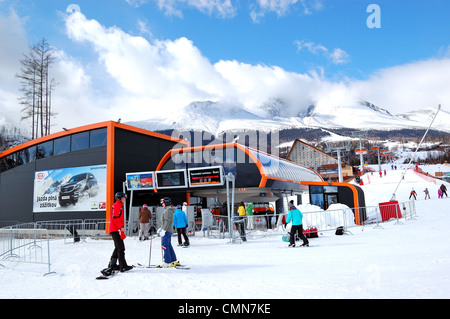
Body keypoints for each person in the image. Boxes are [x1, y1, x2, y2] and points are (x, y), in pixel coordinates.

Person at [105, 192, 133, 274]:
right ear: (119, 198)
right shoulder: (117, 205)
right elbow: (115, 218)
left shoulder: (119, 205)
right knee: (121, 248)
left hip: (116, 229)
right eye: (124, 197)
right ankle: (122, 266)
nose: (125, 199)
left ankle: (112, 264)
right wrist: (121, 227)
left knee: (118, 247)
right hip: (115, 229)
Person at [159, 197, 180, 267]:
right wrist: (161, 229)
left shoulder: (167, 211)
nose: (162, 204)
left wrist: (164, 230)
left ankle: (167, 261)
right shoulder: (168, 210)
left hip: (167, 231)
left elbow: (167, 221)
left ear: (166, 203)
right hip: (167, 230)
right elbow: (166, 222)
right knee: (168, 245)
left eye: (163, 203)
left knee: (165, 245)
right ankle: (173, 259)